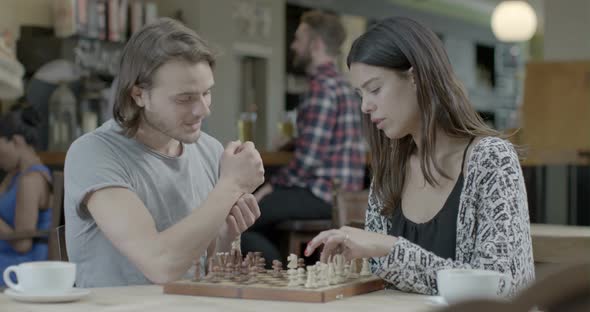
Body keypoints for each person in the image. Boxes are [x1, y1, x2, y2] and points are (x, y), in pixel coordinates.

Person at [305, 17, 535, 296]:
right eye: (360, 94)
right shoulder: (389, 169)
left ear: (416, 77)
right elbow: (383, 283)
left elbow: (500, 287)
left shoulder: (492, 160)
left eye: (375, 89)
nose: (365, 106)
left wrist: (389, 248)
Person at [64, 18, 265, 287]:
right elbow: (161, 266)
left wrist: (225, 235)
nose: (203, 109)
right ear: (138, 95)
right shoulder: (92, 153)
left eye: (206, 93)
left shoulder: (209, 150)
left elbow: (212, 274)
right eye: (185, 98)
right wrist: (231, 185)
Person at [241, 10, 366, 262]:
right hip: (343, 193)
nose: (293, 45)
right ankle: (294, 269)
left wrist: (270, 187)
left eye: (299, 38)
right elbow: (327, 143)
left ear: (316, 44)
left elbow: (308, 161)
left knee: (242, 221)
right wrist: (293, 142)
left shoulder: (321, 88)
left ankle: (282, 276)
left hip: (320, 193)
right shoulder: (343, 86)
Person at [0, 106, 52, 286]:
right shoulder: (15, 175)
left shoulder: (30, 180)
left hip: (21, 266)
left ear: (16, 141)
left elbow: (23, 245)